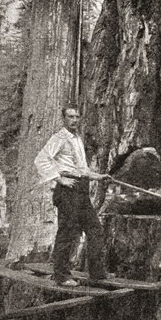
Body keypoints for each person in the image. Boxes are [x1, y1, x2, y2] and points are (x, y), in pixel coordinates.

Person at [34, 104, 110, 286]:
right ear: (64, 119)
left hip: (81, 190)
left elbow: (81, 169)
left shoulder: (77, 139)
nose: (74, 120)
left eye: (77, 117)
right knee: (67, 233)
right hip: (68, 191)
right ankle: (61, 276)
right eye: (70, 117)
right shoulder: (59, 138)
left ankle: (97, 273)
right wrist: (59, 179)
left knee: (95, 230)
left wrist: (99, 177)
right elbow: (40, 160)